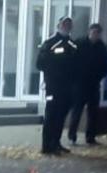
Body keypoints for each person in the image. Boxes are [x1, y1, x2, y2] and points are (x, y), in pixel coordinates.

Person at [37, 17, 78, 155]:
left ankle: (56, 143)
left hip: (67, 87)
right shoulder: (50, 43)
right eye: (64, 24)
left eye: (69, 25)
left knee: (61, 116)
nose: (67, 27)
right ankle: (47, 146)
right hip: (53, 87)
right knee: (51, 115)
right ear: (58, 25)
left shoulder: (72, 44)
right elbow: (40, 64)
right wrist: (53, 72)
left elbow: (76, 65)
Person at [68, 23, 107, 145]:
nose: (95, 34)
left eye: (97, 32)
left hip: (94, 83)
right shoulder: (80, 43)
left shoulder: (101, 47)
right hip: (80, 83)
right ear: (89, 31)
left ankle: (90, 137)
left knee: (93, 112)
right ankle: (72, 135)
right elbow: (72, 61)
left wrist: (100, 76)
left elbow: (105, 63)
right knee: (77, 110)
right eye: (93, 32)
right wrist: (74, 78)